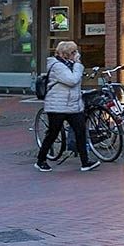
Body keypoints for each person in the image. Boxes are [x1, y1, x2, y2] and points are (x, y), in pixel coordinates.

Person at [36, 40, 98, 172]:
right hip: (57, 105)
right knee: (53, 133)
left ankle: (85, 162)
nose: (76, 54)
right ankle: (41, 160)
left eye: (76, 51)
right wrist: (78, 65)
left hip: (73, 105)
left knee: (80, 131)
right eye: (73, 52)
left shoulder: (71, 65)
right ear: (65, 54)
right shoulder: (57, 66)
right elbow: (72, 80)